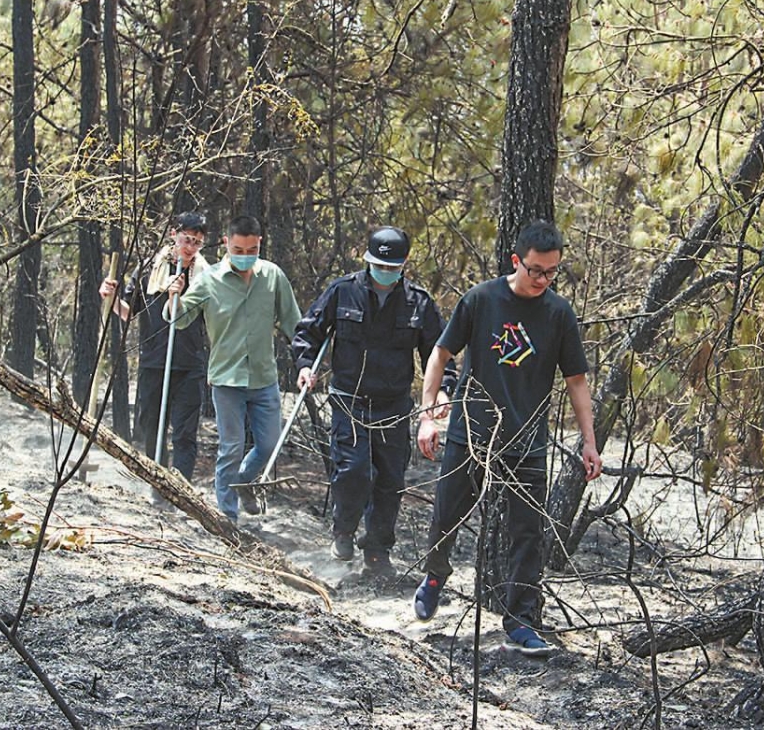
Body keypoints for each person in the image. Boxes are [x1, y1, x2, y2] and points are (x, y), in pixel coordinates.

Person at [413, 221, 602, 656]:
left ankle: (520, 620)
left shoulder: (559, 313)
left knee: (527, 533)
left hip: (527, 441)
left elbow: (576, 381)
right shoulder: (480, 300)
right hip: (471, 433)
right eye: (535, 270)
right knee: (446, 517)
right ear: (516, 261)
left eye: (551, 272)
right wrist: (428, 416)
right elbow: (440, 355)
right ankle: (435, 577)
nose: (542, 280)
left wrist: (588, 442)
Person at [291, 226, 457, 575]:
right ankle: (344, 530)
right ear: (367, 261)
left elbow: (438, 354)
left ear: (404, 265)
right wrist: (306, 366)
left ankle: (378, 548)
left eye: (392, 267)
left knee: (390, 481)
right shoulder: (343, 292)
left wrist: (443, 389)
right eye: (379, 265)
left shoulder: (419, 302)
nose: (385, 273)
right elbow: (309, 332)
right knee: (354, 470)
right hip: (350, 400)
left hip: (394, 406)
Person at [165, 214, 301, 523]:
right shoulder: (209, 279)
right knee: (231, 447)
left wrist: (308, 357)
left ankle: (242, 481)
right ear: (227, 243)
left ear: (259, 244)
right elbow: (180, 318)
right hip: (227, 379)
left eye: (250, 249)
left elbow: (295, 324)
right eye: (237, 249)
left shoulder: (273, 276)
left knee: (268, 445)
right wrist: (175, 297)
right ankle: (227, 518)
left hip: (264, 378)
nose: (244, 255)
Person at [98, 212, 210, 486]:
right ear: (174, 235)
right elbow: (127, 312)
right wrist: (110, 297)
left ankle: (182, 488)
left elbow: (213, 316)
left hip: (190, 362)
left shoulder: (207, 275)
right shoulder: (150, 268)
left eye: (197, 242)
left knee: (184, 432)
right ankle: (158, 484)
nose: (190, 247)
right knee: (151, 427)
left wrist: (182, 293)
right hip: (154, 360)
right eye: (186, 239)